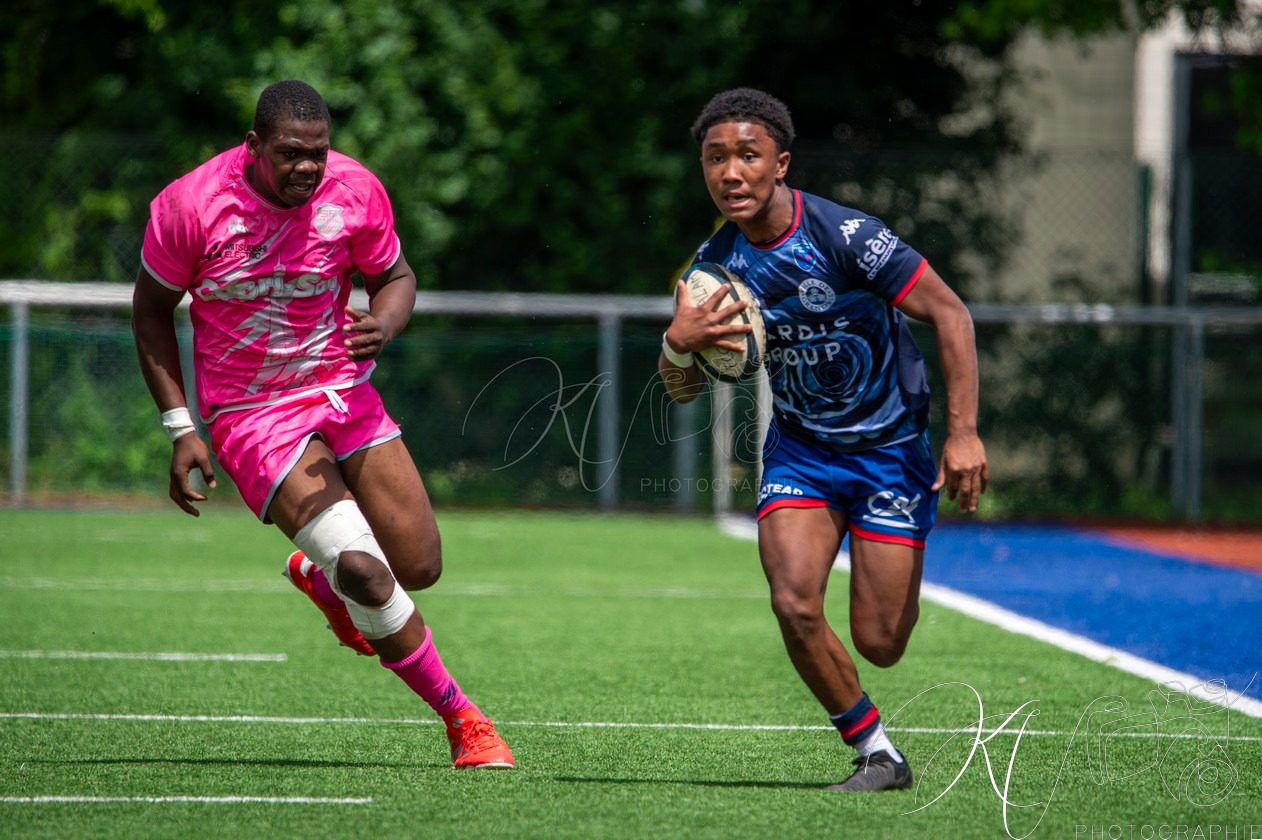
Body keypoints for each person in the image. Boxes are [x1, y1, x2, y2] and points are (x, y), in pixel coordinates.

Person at [132, 79, 513, 770]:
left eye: (318, 153)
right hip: (252, 417)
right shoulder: (190, 206)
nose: (308, 168)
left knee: (419, 567)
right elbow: (151, 312)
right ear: (253, 148)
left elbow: (396, 275)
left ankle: (318, 573)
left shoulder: (356, 190)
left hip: (343, 393)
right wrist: (180, 427)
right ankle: (465, 722)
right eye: (291, 154)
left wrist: (385, 324)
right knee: (368, 573)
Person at [659, 88, 988, 792]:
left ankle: (892, 565)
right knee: (793, 601)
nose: (731, 172)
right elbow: (683, 387)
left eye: (747, 156)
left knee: (880, 641)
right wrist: (676, 345)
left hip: (891, 453)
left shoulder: (846, 237)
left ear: (781, 164)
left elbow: (951, 314)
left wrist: (962, 433)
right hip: (803, 455)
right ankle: (877, 753)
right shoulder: (710, 272)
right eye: (715, 158)